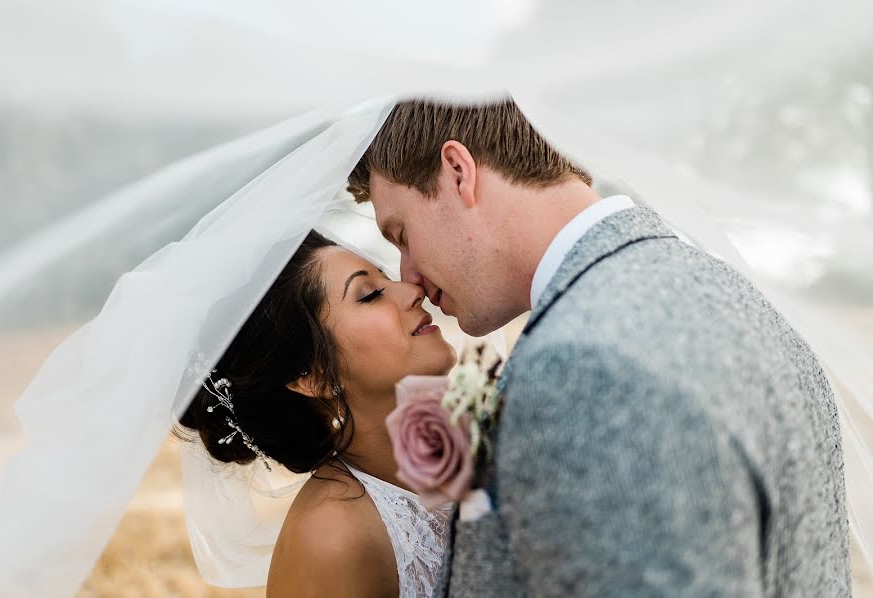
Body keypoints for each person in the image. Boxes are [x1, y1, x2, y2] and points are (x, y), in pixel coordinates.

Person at [349, 98, 852, 596]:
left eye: (402, 235)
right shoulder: (736, 296)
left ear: (459, 171)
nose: (407, 275)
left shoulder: (585, 368)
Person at [177, 230, 457, 598]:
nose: (412, 290)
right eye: (370, 295)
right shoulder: (332, 537)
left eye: (386, 278)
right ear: (314, 376)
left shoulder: (467, 453)